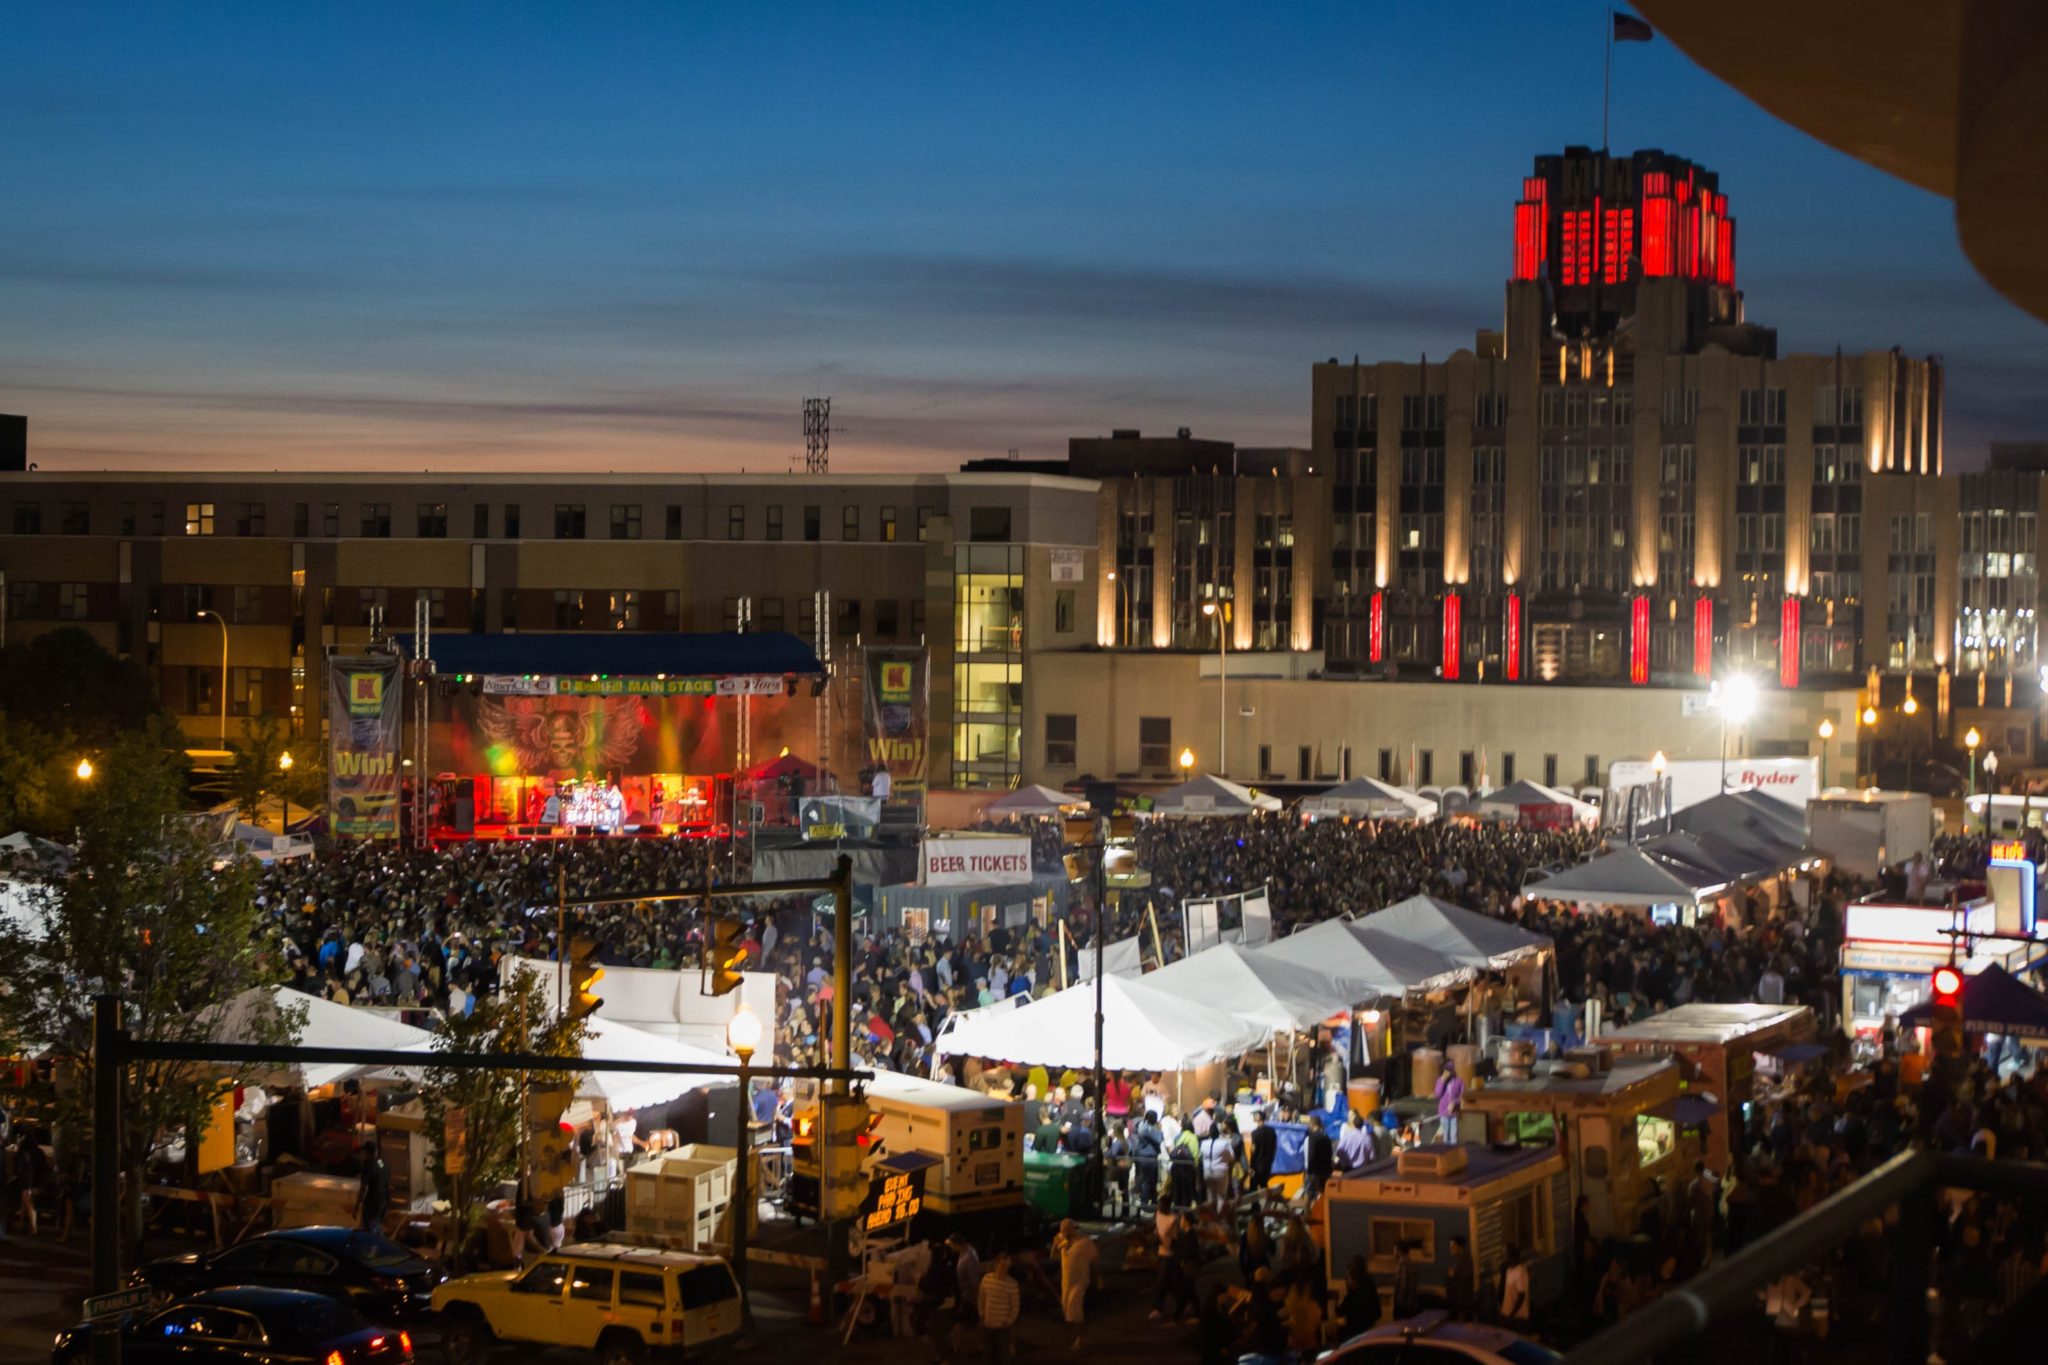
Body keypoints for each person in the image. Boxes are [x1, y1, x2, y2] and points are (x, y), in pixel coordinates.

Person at [1054, 1218, 1099, 1351]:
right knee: (1069, 1313)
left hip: (1079, 1282)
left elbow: (1095, 1260)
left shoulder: (1084, 1243)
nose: (1064, 1233)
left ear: (1073, 1229)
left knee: (1074, 1311)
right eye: (1063, 1231)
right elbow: (1054, 1255)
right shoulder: (1063, 1242)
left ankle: (1081, 1338)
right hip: (1066, 1283)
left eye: (1067, 1230)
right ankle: (1084, 1335)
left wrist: (1099, 1278)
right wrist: (1058, 1244)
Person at [977, 1253, 1020, 1365]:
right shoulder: (986, 1280)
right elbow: (981, 1299)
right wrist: (982, 1314)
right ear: (996, 1264)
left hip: (1003, 1327)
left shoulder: (1012, 1284)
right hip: (988, 1324)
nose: (1004, 1269)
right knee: (988, 1354)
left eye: (1007, 1266)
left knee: (1003, 1355)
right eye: (1002, 1266)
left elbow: (1015, 1306)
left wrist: (1008, 1321)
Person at [1340, 1254, 1382, 1337]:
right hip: (1367, 1326)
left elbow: (1346, 1309)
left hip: (1355, 1329)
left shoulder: (1356, 1291)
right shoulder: (1369, 1283)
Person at [355, 1139, 391, 1234]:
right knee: (375, 1226)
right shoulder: (384, 1163)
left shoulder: (368, 1163)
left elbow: (364, 1188)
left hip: (372, 1202)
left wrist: (357, 1205)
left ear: (367, 1152)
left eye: (365, 1152)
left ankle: (376, 1247)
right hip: (384, 1201)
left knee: (369, 1230)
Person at [1132, 1110, 1163, 1212]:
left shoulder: (1144, 1127)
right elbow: (1159, 1139)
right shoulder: (1147, 1129)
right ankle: (1145, 1203)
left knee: (1152, 1180)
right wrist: (1159, 1130)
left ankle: (1152, 1201)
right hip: (1148, 1158)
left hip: (1146, 1157)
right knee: (1148, 1180)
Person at [1302, 1114, 1334, 1207]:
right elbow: (1330, 1154)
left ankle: (1306, 1214)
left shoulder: (1311, 1138)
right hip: (1325, 1171)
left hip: (1314, 1171)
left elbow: (1310, 1155)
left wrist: (1309, 1171)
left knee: (1308, 1193)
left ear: (1312, 1124)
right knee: (1323, 1193)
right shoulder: (1327, 1138)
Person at [1444, 1234, 1476, 1319]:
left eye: (1453, 1245)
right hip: (1455, 1302)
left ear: (1460, 1246)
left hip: (1461, 1304)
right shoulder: (1455, 1259)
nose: (1451, 1248)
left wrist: (1462, 1309)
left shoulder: (1465, 1260)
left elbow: (1463, 1283)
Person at [1248, 1107, 1277, 1195]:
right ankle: (1267, 1204)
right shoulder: (1272, 1131)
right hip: (1267, 1164)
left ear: (1258, 1117)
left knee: (1253, 1187)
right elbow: (1274, 1147)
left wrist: (1251, 1164)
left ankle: (1255, 1206)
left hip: (1257, 1165)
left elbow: (1254, 1150)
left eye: (1254, 1115)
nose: (1253, 1117)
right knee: (1264, 1185)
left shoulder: (1255, 1133)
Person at [1500, 1244, 1532, 1324]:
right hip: (1507, 1315)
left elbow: (1521, 1296)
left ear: (1511, 1257)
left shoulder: (1519, 1272)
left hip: (1518, 1318)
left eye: (1504, 1255)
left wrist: (1511, 1316)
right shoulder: (1509, 1270)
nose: (1503, 1257)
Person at [1435, 1067, 1465, 1145]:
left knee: (1453, 1135)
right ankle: (1447, 1151)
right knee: (1446, 1134)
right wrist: (1442, 1081)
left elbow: (1463, 1096)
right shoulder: (1440, 1080)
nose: (1447, 1073)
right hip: (1443, 1111)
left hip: (1454, 1112)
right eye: (1445, 1071)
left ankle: (1453, 1151)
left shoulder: (1459, 1081)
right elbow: (1438, 1094)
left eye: (1448, 1071)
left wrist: (1455, 1102)